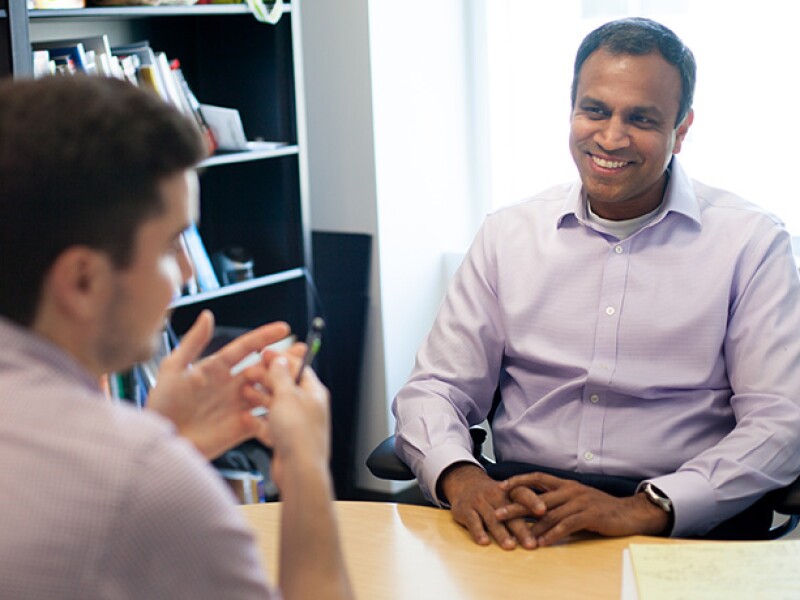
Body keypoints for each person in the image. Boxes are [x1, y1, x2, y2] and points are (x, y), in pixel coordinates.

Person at [393, 17, 800, 549]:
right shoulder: (508, 234)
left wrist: (648, 508)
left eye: (642, 118)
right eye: (595, 110)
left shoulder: (751, 242)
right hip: (520, 519)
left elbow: (779, 421)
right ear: (572, 111)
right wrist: (461, 478)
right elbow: (435, 390)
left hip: (679, 530)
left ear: (681, 130)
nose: (611, 136)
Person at [0, 75, 352, 600]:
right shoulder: (145, 482)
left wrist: (161, 434)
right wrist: (304, 468)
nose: (188, 271)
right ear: (82, 280)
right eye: (172, 244)